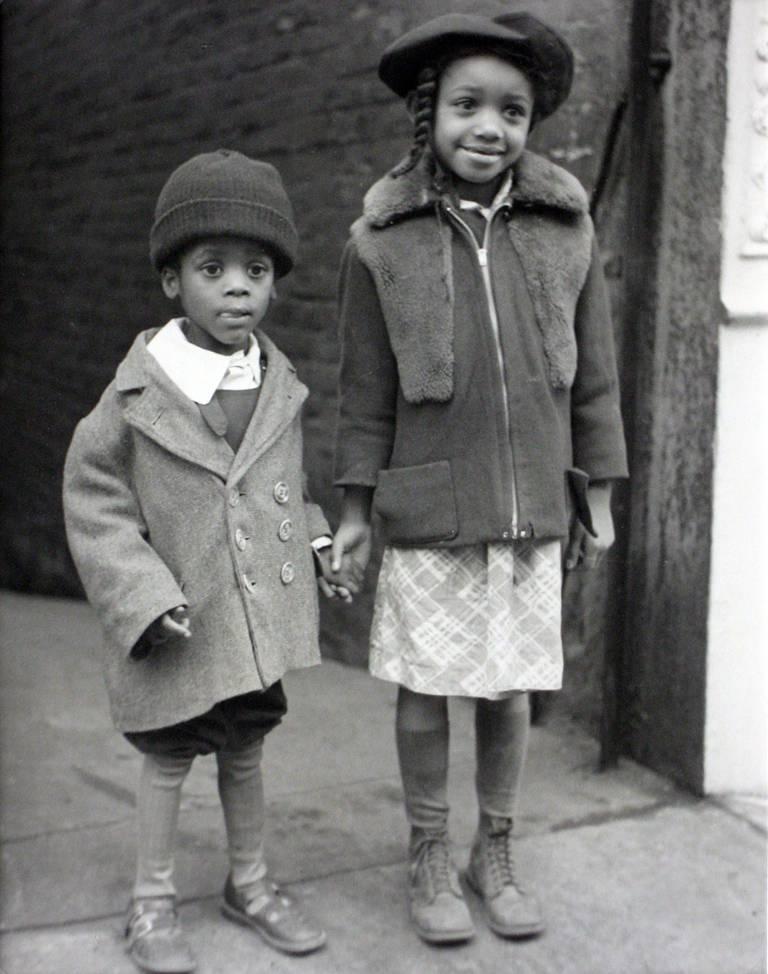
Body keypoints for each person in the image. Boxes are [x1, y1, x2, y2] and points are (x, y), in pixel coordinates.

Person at [330, 11, 628, 946]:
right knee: (427, 688)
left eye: (513, 109)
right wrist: (355, 507)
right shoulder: (383, 242)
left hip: (534, 503)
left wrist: (601, 495)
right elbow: (364, 392)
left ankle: (492, 848)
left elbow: (597, 377)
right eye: (468, 105)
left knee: (509, 690)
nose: (489, 127)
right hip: (431, 505)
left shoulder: (564, 231)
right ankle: (427, 850)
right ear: (430, 114)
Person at [63, 149, 349, 973]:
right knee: (168, 758)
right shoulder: (136, 396)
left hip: (252, 619)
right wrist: (144, 596)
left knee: (247, 750)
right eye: (212, 267)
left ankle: (249, 883)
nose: (237, 287)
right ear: (169, 281)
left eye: (256, 270)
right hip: (181, 622)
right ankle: (150, 903)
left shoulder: (277, 382)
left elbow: (285, 492)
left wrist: (320, 541)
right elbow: (95, 501)